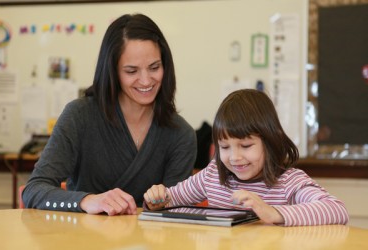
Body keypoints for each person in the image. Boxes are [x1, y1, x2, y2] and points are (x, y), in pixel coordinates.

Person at [22, 13, 197, 216]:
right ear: (112, 72)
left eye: (154, 67)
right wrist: (86, 201)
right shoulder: (79, 116)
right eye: (131, 71)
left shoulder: (181, 135)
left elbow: (174, 215)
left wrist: (163, 204)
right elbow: (33, 191)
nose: (146, 80)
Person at [144, 89, 349, 226]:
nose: (235, 157)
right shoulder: (212, 175)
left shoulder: (289, 182)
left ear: (269, 141)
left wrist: (273, 213)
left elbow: (337, 210)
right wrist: (157, 199)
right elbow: (171, 200)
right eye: (224, 147)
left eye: (246, 145)